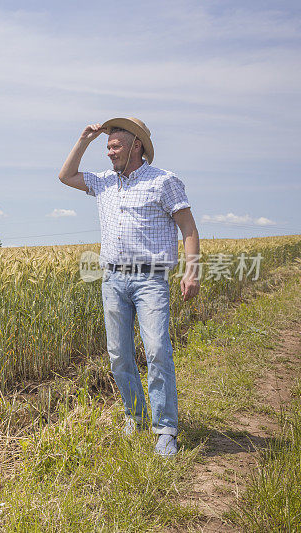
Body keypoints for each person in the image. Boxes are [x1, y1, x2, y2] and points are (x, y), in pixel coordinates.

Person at [57, 117, 200, 457]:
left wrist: (191, 271)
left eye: (115, 146)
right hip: (113, 279)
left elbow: (188, 228)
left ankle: (165, 430)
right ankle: (134, 417)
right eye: (107, 147)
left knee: (156, 351)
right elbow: (65, 176)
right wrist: (84, 140)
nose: (109, 153)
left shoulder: (164, 181)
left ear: (136, 146)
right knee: (119, 355)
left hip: (150, 279)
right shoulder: (104, 182)